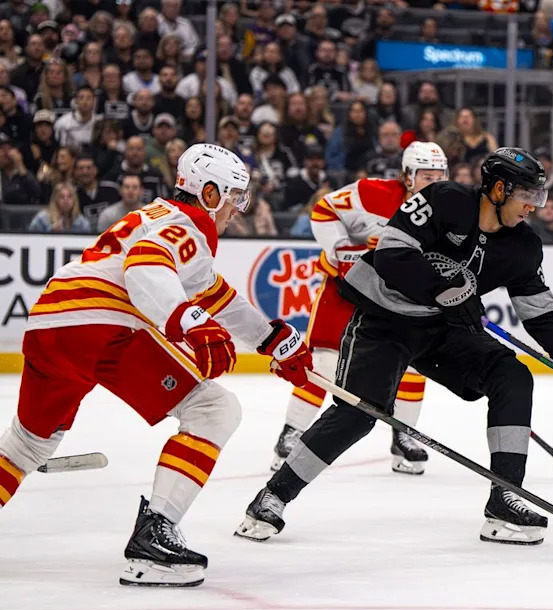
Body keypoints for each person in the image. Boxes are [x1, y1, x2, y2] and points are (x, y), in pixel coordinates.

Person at [236, 147, 553, 546]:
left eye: (539, 198)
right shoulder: (443, 199)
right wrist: (444, 287)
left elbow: (541, 311)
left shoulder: (523, 245)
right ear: (499, 189)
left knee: (512, 375)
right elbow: (393, 254)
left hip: (443, 329)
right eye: (527, 197)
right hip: (384, 318)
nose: (533, 207)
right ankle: (272, 496)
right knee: (360, 413)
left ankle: (505, 499)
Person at [0, 143, 312, 587]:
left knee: (26, 445)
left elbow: (214, 294)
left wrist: (269, 338)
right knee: (214, 410)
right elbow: (145, 265)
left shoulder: (162, 217)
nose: (237, 210)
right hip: (101, 324)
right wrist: (187, 320)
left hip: (51, 321)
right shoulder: (192, 225)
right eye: (234, 197)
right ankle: (155, 535)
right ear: (209, 193)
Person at [267, 141, 448, 475]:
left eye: (440, 175)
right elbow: (323, 210)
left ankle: (403, 436)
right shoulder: (370, 193)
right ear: (407, 176)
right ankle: (292, 433)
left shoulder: (448, 210)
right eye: (426, 176)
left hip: (394, 296)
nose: (434, 182)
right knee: (322, 362)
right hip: (345, 289)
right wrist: (340, 250)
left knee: (413, 362)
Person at [73, 152, 119, 224]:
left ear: (96, 170)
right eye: (81, 168)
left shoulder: (112, 189)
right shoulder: (73, 195)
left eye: (88, 168)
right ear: (75, 172)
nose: (85, 172)